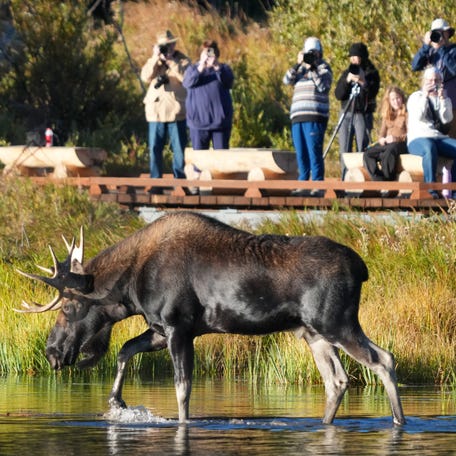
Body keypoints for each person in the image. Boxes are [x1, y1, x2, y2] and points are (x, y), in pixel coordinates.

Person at [141, 30, 190, 191]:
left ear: (174, 44)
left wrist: (170, 62)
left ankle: (180, 183)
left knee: (179, 150)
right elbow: (145, 77)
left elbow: (187, 78)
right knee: (155, 149)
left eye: (170, 44)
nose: (167, 48)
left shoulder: (182, 60)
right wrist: (156, 58)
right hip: (155, 112)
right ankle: (156, 183)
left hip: (176, 112)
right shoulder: (154, 61)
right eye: (164, 45)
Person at [283, 36, 332, 196]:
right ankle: (303, 183)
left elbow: (323, 86)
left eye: (315, 52)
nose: (312, 55)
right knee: (301, 152)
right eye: (309, 53)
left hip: (315, 115)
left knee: (314, 151)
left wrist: (313, 68)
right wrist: (299, 63)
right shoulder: (300, 70)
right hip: (298, 116)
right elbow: (286, 80)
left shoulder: (324, 68)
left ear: (320, 53)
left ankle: (318, 184)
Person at [407, 66, 456, 198]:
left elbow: (447, 119)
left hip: (439, 138)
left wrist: (444, 100)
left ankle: (454, 189)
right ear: (424, 82)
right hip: (418, 138)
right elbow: (418, 115)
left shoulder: (443, 98)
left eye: (437, 80)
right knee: (429, 148)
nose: (434, 83)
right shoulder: (415, 97)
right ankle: (431, 189)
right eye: (431, 80)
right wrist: (425, 96)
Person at [335, 42, 380, 179]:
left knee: (362, 148)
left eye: (357, 56)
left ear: (363, 57)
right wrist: (347, 81)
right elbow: (338, 95)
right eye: (352, 57)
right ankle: (345, 178)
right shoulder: (347, 72)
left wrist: (363, 82)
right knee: (345, 148)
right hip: (346, 113)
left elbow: (372, 93)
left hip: (362, 114)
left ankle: (363, 178)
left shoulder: (371, 73)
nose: (354, 60)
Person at [183, 40, 234, 150]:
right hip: (198, 123)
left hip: (220, 123)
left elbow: (229, 82)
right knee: (199, 162)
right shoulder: (192, 69)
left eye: (211, 52)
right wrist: (201, 66)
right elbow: (187, 83)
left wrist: (216, 67)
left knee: (221, 161)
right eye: (206, 52)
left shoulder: (224, 69)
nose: (209, 55)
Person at [412, 18, 456, 138]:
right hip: (432, 104)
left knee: (452, 135)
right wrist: (425, 46)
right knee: (435, 136)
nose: (439, 36)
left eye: (442, 32)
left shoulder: (453, 50)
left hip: (451, 102)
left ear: (447, 33)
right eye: (436, 33)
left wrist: (442, 49)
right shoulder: (429, 51)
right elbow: (415, 66)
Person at [363, 86, 408, 182]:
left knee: (388, 153)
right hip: (387, 144)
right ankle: (379, 180)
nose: (396, 101)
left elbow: (410, 134)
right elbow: (381, 134)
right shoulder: (387, 115)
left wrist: (396, 139)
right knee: (368, 154)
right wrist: (381, 139)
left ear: (402, 98)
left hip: (400, 144)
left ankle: (389, 180)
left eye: (398, 98)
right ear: (389, 102)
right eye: (393, 99)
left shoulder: (407, 114)